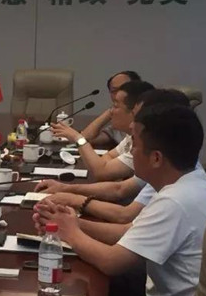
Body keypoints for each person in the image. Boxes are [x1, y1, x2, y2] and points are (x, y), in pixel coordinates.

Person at [33, 104, 206, 296]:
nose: (130, 152)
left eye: (135, 145)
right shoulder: (188, 183)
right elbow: (128, 232)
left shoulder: (175, 201)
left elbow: (112, 262)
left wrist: (70, 233)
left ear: (156, 158)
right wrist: (73, 224)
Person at [36, 89, 191, 224]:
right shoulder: (162, 160)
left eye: (137, 117)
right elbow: (116, 186)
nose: (132, 124)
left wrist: (72, 201)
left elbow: (122, 211)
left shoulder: (163, 165)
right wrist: (66, 190)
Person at [50, 80, 155, 181]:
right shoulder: (131, 137)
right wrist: (104, 168)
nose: (110, 111)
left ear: (134, 112)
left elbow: (101, 173)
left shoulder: (145, 145)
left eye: (115, 106)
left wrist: (78, 138)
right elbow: (107, 158)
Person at [80, 71, 141, 146]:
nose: (118, 94)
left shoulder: (147, 121)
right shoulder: (118, 124)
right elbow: (83, 140)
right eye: (114, 91)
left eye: (124, 89)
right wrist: (111, 111)